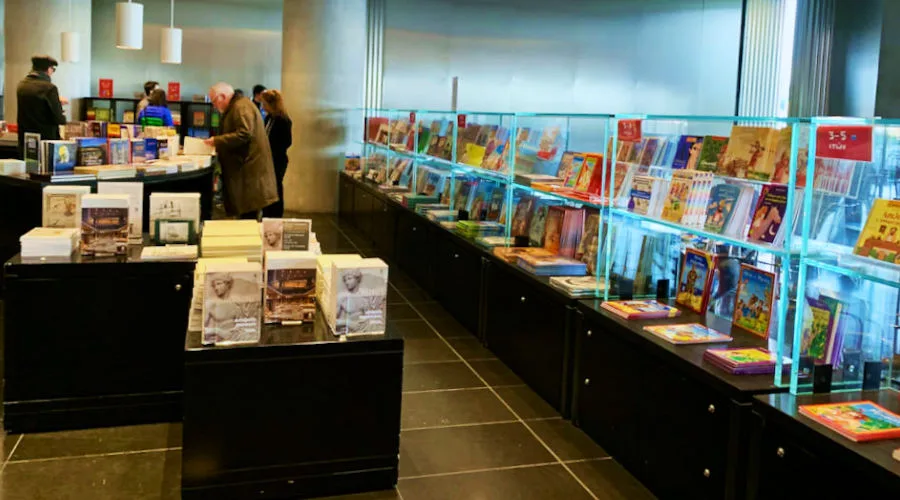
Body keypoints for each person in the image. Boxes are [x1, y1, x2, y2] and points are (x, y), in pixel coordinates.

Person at [204, 82, 278, 220]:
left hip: (249, 173)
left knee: (248, 217)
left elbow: (244, 133)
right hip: (247, 172)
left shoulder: (240, 107)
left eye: (214, 101)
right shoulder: (239, 106)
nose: (214, 106)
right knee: (247, 215)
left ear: (222, 96)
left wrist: (217, 141)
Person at [16, 55, 67, 156]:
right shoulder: (49, 88)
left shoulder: (22, 85)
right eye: (53, 69)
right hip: (45, 142)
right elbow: (59, 119)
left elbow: (35, 106)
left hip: (26, 140)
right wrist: (59, 106)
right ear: (49, 69)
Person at [258, 89, 293, 218]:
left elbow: (287, 142)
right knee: (267, 188)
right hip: (267, 159)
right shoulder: (268, 118)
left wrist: (271, 149)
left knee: (276, 187)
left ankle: (276, 215)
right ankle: (267, 213)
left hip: (277, 160)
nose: (262, 106)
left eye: (264, 103)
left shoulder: (283, 120)